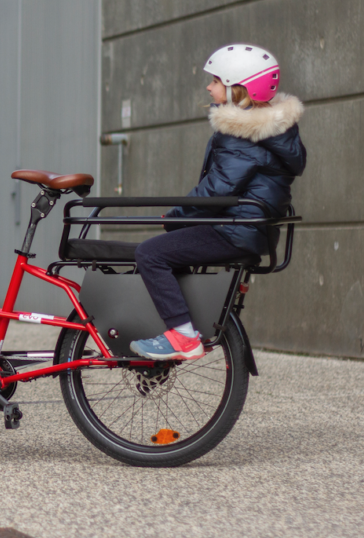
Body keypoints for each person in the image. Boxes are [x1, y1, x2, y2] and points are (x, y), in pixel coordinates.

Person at [129, 44, 306, 361]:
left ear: (238, 88)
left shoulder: (242, 133)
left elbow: (217, 190)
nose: (208, 87)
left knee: (150, 254)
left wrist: (174, 217)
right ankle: (178, 328)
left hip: (233, 230)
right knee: (171, 250)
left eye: (214, 80)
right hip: (249, 230)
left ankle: (183, 337)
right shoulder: (275, 132)